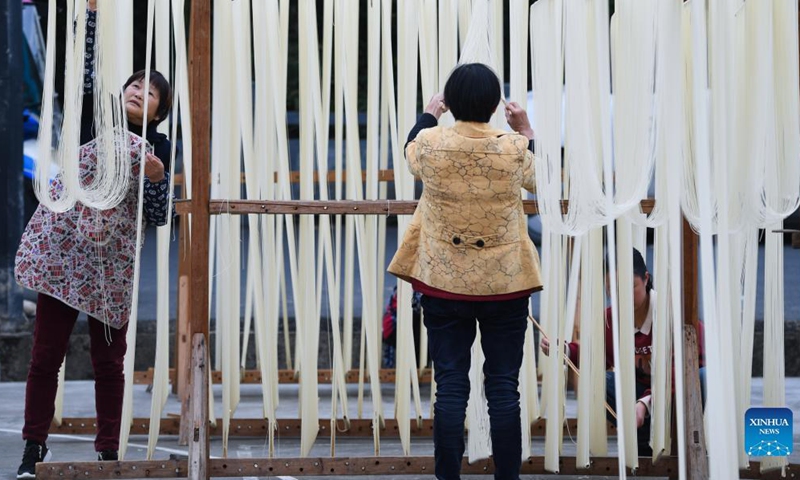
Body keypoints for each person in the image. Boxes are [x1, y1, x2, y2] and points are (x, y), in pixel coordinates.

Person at [14, 1, 173, 477]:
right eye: (135, 84)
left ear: (160, 112)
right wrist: (92, 19)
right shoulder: (94, 120)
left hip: (110, 264)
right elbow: (85, 73)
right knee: (45, 357)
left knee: (109, 362)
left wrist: (157, 177)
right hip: (64, 254)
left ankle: (107, 451)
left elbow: (158, 216)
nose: (139, 91)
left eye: (152, 93)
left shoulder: (159, 149)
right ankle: (32, 449)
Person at [388, 63, 542, 480]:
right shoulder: (512, 148)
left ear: (450, 103)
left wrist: (427, 115)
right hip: (505, 285)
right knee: (503, 389)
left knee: (451, 385)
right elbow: (539, 177)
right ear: (495, 106)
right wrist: (526, 129)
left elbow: (410, 154)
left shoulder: (431, 144)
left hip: (444, 283)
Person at [540, 248, 707, 456]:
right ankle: (642, 440)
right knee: (599, 381)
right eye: (612, 290)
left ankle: (682, 442)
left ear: (646, 279)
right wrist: (563, 349)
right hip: (637, 404)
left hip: (676, 400)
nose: (621, 298)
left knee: (701, 376)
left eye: (629, 287)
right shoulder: (609, 319)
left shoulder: (675, 314)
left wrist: (645, 403)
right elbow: (593, 353)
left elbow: (683, 370)